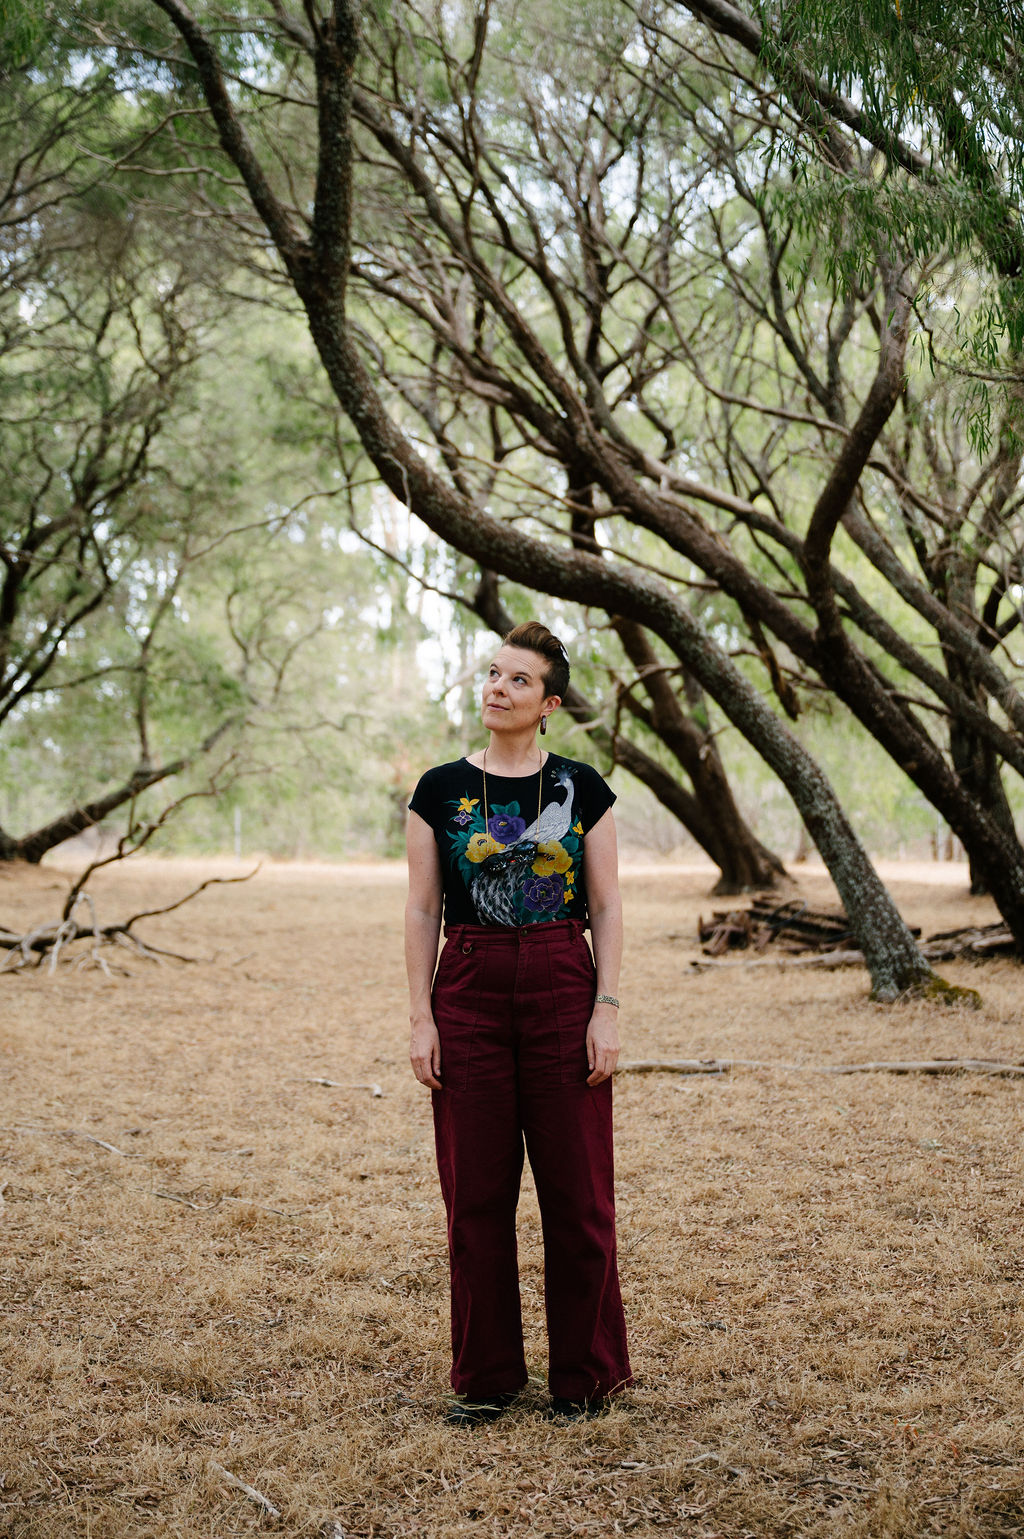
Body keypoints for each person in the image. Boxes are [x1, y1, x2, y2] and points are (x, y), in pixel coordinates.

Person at [405, 621, 632, 1427]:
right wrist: (421, 1015)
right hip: (467, 986)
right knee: (475, 1196)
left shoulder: (584, 786)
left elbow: (605, 903)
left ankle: (588, 1377)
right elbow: (423, 908)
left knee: (579, 1195)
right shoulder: (438, 790)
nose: (497, 688)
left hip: (563, 983)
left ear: (550, 704)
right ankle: (487, 1376)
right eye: (494, 673)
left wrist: (607, 1007)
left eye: (519, 679)